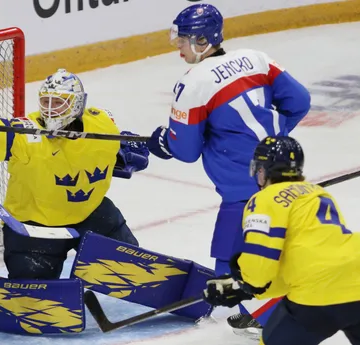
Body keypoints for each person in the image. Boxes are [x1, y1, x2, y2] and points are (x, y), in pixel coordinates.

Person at [146, 3, 311, 332]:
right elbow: (301, 101)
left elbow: (186, 150)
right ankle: (261, 309)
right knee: (282, 241)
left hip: (242, 185)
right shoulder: (257, 58)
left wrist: (164, 142)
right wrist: (271, 137)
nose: (178, 49)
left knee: (230, 254)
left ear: (204, 41)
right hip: (282, 168)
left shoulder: (193, 83)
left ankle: (260, 313)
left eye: (183, 42)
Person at [0, 68, 149, 280]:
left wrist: (126, 150)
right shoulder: (26, 134)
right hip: (34, 227)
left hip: (90, 215)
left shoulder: (101, 124)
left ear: (77, 104)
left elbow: (118, 147)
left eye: (59, 103)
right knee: (32, 285)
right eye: (45, 101)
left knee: (131, 271)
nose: (50, 109)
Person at [203, 135, 360, 345]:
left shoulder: (263, 199)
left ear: (263, 170)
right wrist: (246, 290)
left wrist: (245, 283)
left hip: (315, 295)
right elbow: (308, 263)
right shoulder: (319, 193)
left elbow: (259, 269)